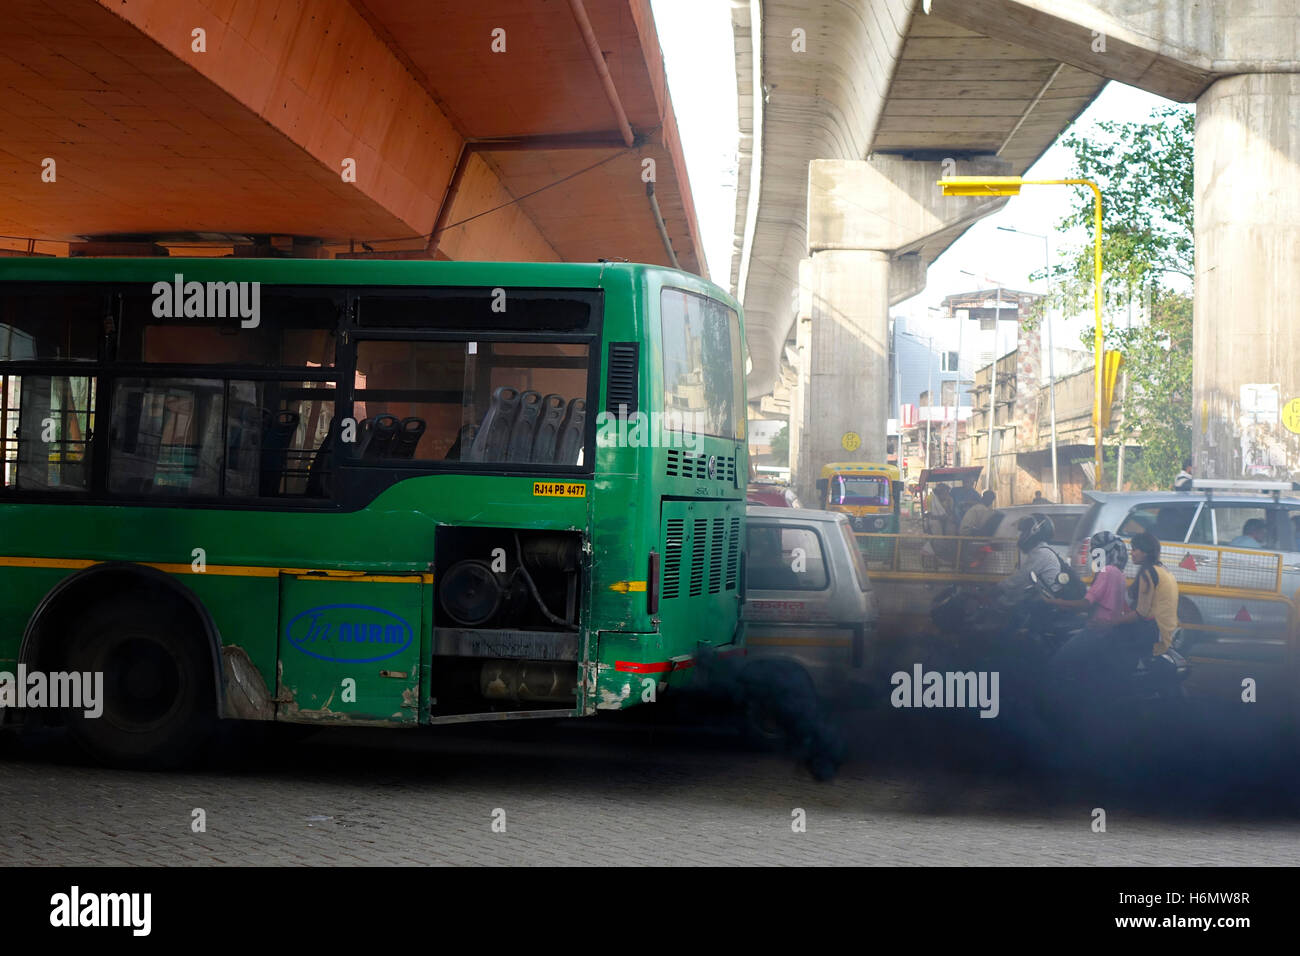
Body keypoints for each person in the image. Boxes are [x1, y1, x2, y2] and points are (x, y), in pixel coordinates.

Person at [1045, 532, 1134, 692]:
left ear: (1105, 552)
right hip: (1107, 629)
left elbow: (1086, 604)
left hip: (1096, 630)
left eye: (1095, 551)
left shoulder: (1107, 571)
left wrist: (1055, 601)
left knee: (1056, 663)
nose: (1093, 556)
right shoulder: (1119, 573)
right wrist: (1067, 606)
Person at [1114, 532, 1179, 658]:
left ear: (1145, 552)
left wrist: (1111, 622)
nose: (1131, 553)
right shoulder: (1161, 569)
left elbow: (1141, 613)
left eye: (1134, 549)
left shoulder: (1148, 573)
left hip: (1154, 630)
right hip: (1166, 629)